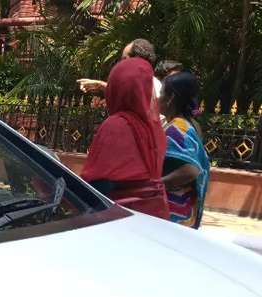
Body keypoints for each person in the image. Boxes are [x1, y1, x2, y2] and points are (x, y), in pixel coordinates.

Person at [81, 56, 169, 219]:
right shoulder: (156, 127)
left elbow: (98, 184)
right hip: (155, 216)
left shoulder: (117, 125)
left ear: (116, 88)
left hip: (119, 219)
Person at [160, 72, 211, 228]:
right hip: (184, 211)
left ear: (171, 98)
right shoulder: (190, 125)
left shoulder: (177, 128)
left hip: (174, 212)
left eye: (161, 93)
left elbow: (190, 170)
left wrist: (156, 185)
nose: (158, 98)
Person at [78, 39, 160, 101]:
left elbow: (133, 96)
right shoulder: (138, 84)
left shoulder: (152, 84)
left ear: (136, 60)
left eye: (124, 59)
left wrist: (101, 85)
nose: (121, 64)